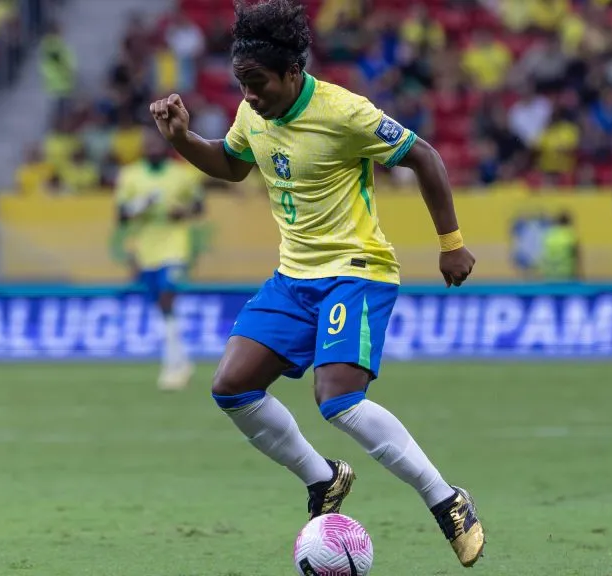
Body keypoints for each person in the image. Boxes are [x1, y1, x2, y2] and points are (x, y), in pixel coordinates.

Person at [148, 0, 485, 566]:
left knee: (339, 401)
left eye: (258, 85)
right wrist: (183, 140)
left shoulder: (344, 112)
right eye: (241, 85)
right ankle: (322, 478)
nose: (250, 96)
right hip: (293, 276)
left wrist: (450, 243)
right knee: (232, 386)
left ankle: (447, 501)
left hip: (355, 270)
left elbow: (425, 157)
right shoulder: (253, 111)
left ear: (292, 73)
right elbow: (232, 166)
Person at [114, 129, 202, 390]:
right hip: (146, 249)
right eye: (147, 145)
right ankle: (181, 360)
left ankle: (171, 365)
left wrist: (183, 211)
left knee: (167, 297)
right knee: (161, 307)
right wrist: (139, 206)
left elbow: (199, 206)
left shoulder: (182, 174)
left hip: (174, 246)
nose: (152, 149)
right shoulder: (130, 176)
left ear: (165, 147)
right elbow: (120, 216)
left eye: (156, 145)